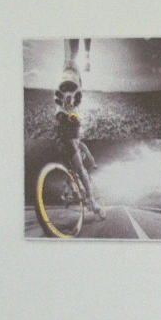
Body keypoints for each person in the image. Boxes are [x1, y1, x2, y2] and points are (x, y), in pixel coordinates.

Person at [51, 68, 104, 221]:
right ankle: (80, 196)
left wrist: (92, 162)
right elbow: (87, 152)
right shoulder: (63, 105)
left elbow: (86, 151)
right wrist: (93, 162)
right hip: (67, 140)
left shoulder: (70, 107)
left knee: (77, 171)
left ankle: (85, 198)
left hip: (69, 142)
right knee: (76, 171)